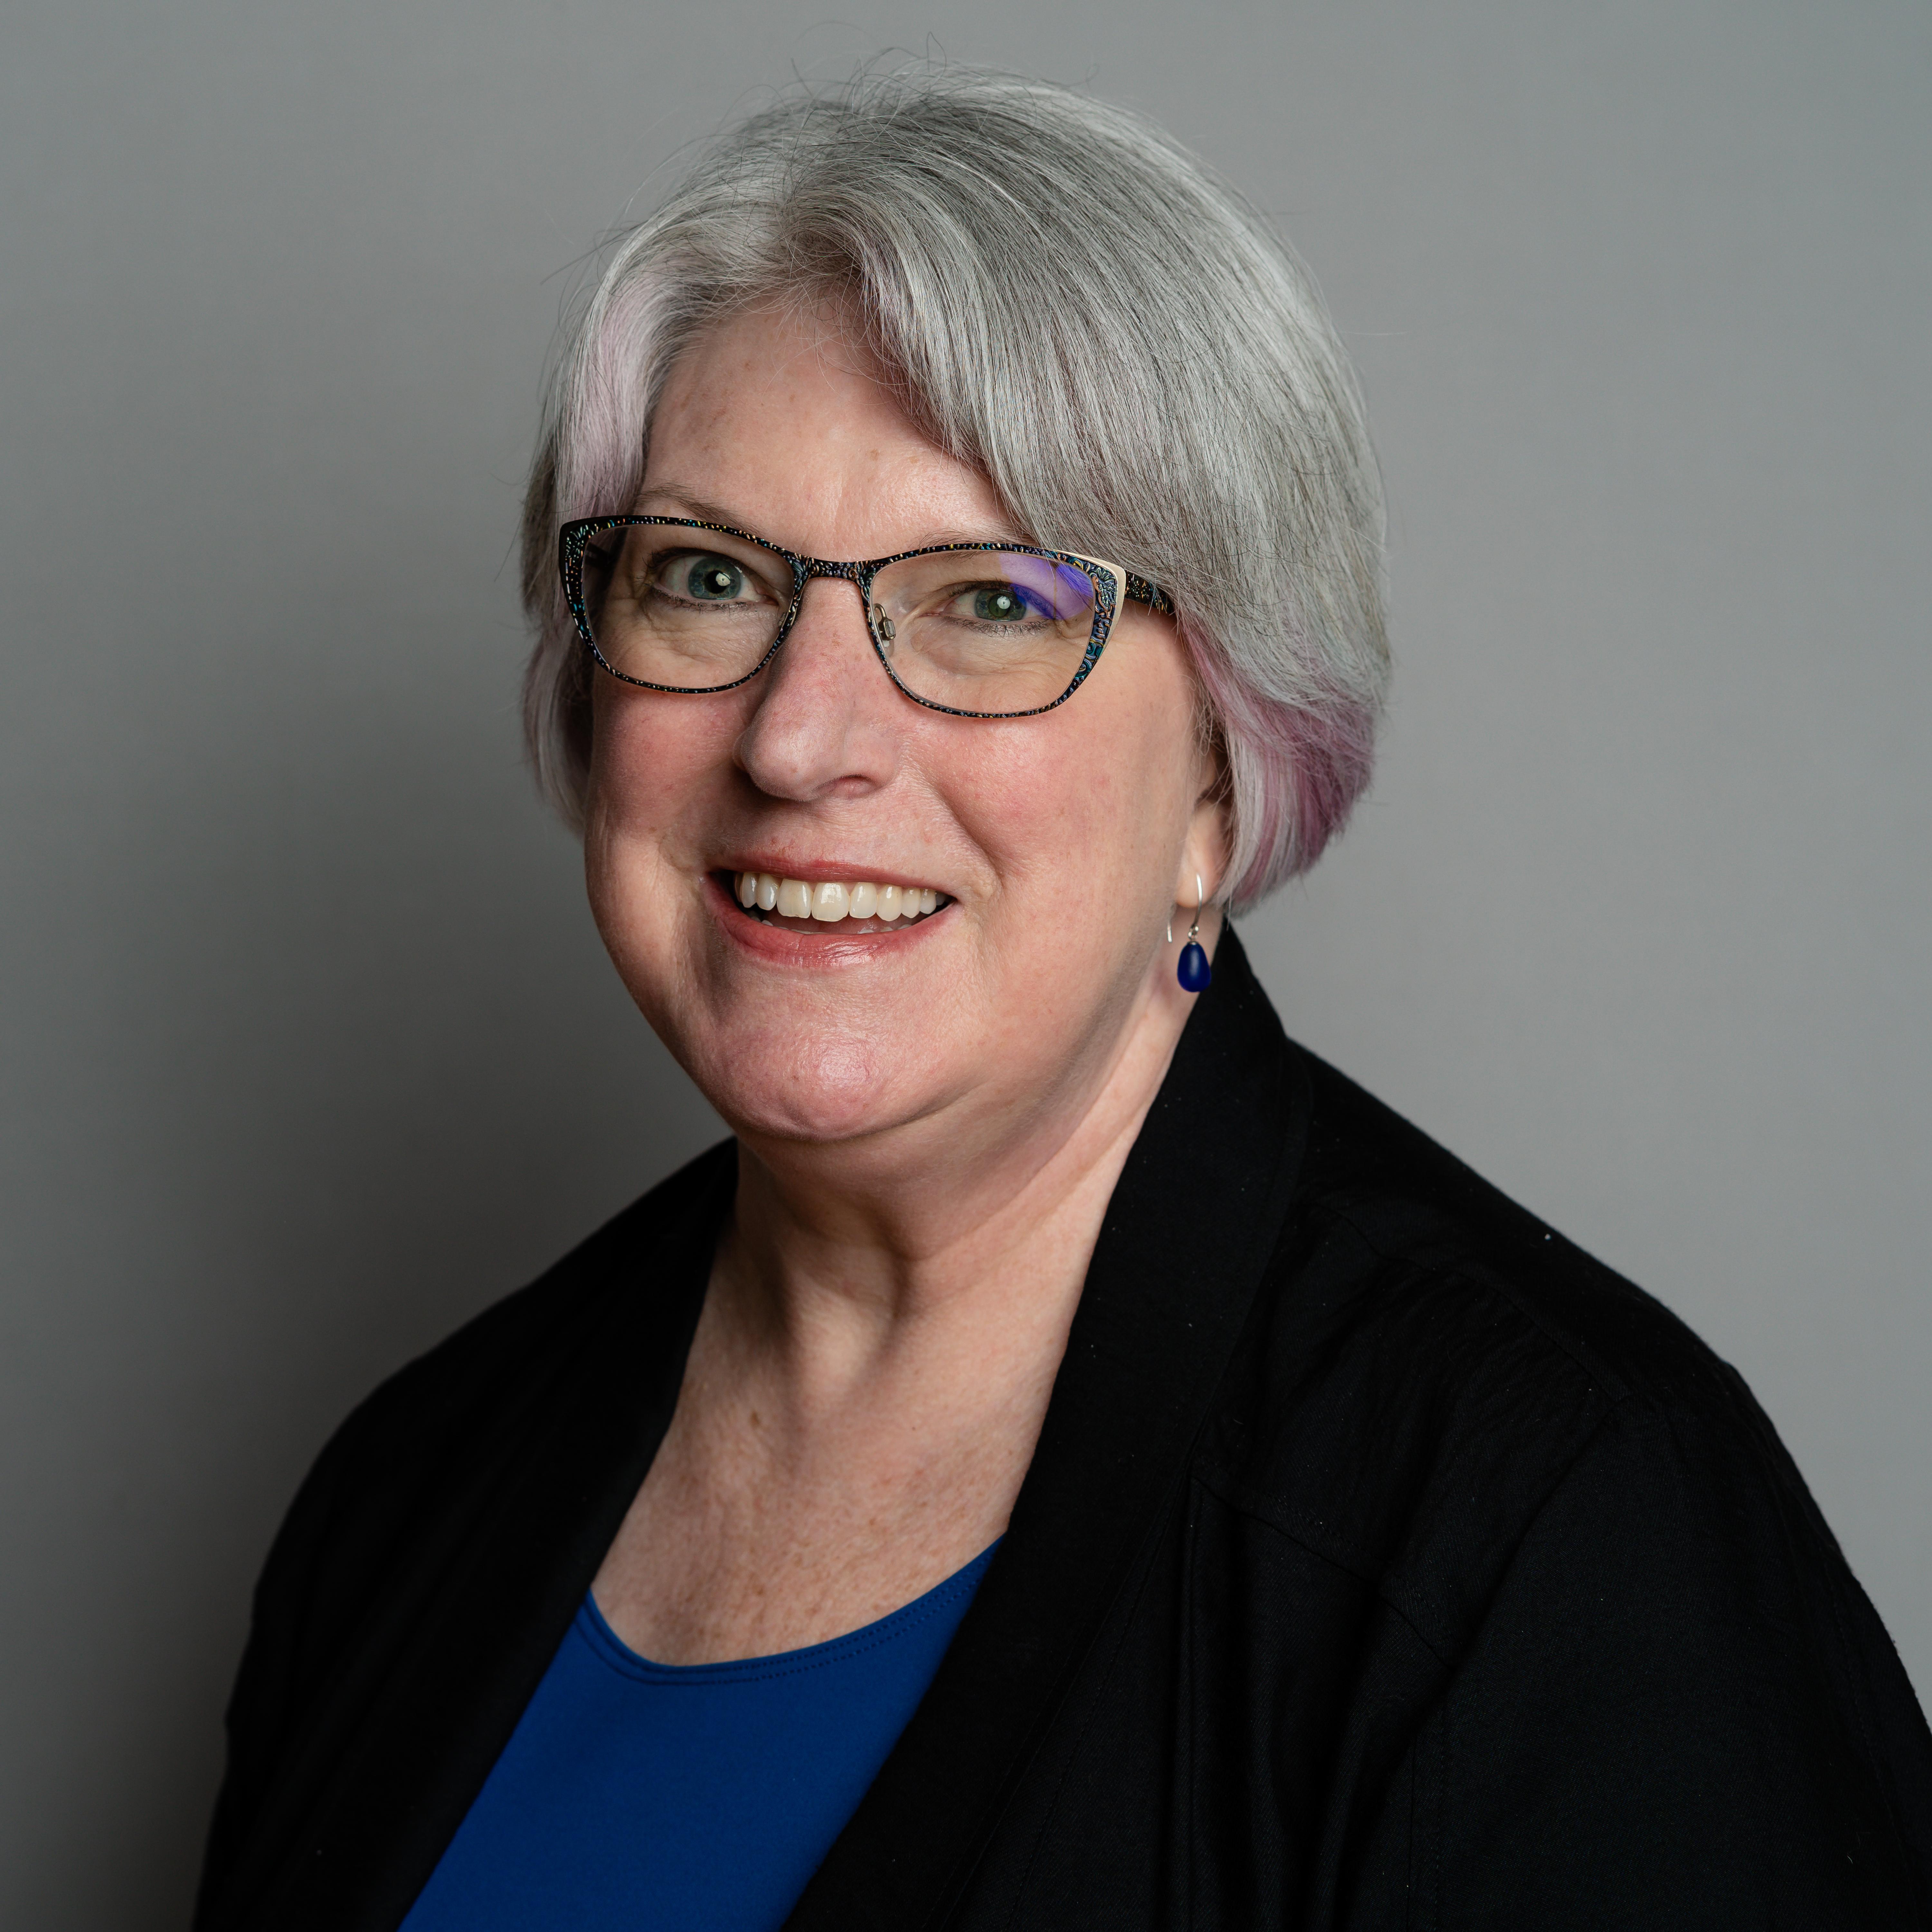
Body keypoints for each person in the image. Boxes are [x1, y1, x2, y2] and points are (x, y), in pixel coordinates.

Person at [193, 70, 1932, 1932]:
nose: (800, 737)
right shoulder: (411, 1491)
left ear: (1219, 772)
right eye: (707, 577)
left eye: (992, 603)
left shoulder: (1560, 1531)